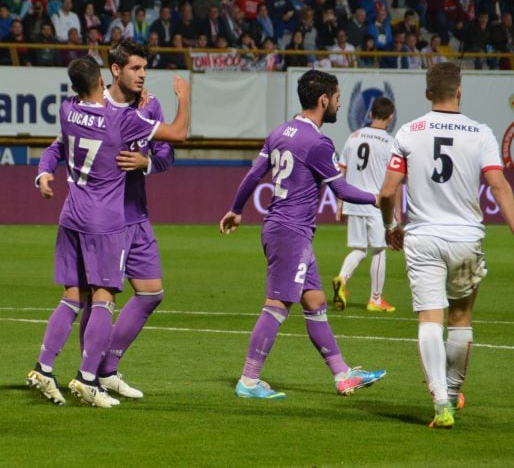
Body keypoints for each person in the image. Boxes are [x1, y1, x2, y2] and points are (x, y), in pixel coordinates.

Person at [25, 56, 190, 407]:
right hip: (107, 219)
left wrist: (147, 163)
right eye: (135, 68)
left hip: (94, 215)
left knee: (97, 295)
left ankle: (59, 368)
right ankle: (90, 377)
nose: (142, 75)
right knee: (100, 298)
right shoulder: (122, 118)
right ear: (110, 74)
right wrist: (184, 97)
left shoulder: (70, 108)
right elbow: (177, 133)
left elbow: (166, 153)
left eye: (145, 68)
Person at [219, 70, 387, 399]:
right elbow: (340, 188)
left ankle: (342, 375)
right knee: (278, 305)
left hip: (285, 230)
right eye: (338, 98)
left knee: (316, 302)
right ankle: (249, 381)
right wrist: (376, 198)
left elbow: (255, 173)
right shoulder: (318, 142)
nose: (339, 103)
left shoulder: (281, 132)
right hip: (291, 232)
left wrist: (237, 208)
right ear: (324, 100)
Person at [379, 63, 514, 428]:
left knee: (429, 319)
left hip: (423, 238)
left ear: (427, 94)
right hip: (467, 238)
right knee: (460, 318)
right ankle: (453, 393)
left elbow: (388, 191)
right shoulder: (481, 133)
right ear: (460, 90)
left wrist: (392, 225)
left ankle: (440, 402)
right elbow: (499, 186)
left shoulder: (408, 132)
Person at [332, 97, 398, 313]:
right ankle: (376, 300)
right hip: (376, 203)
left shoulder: (354, 137)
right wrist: (396, 212)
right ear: (390, 117)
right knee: (379, 250)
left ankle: (342, 277)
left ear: (370, 114)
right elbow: (393, 180)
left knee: (359, 249)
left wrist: (340, 202)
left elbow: (341, 170)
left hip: (353, 200)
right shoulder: (390, 142)